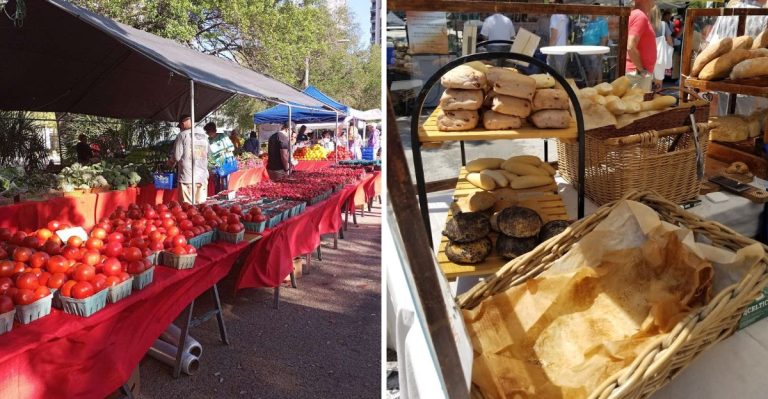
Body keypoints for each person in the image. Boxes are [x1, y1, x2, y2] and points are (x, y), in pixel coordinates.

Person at [169, 115, 209, 204]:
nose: (180, 129)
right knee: (201, 207)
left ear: (182, 124)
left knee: (187, 208)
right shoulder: (204, 135)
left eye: (180, 126)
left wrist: (170, 163)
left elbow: (177, 156)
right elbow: (208, 154)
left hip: (187, 177)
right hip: (202, 176)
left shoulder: (182, 135)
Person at [625, 0, 657, 92]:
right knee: (637, 105)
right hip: (637, 74)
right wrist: (642, 70)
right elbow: (630, 46)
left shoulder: (637, 14)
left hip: (636, 73)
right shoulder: (640, 16)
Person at [580, 8, 609, 86]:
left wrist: (600, 50)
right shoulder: (589, 22)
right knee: (590, 69)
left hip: (595, 48)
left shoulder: (602, 21)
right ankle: (591, 86)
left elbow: (604, 37)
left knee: (595, 68)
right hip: (585, 49)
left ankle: (595, 86)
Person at [205, 122, 235, 194]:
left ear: (213, 130)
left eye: (209, 132)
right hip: (215, 164)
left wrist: (224, 151)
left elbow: (232, 147)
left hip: (225, 162)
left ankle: (225, 194)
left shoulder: (222, 136)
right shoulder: (208, 140)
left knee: (224, 181)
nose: (208, 134)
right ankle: (217, 195)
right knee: (216, 182)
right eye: (207, 133)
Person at [652, 6, 674, 90]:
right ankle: (657, 97)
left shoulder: (646, 23)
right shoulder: (663, 25)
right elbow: (670, 41)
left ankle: (647, 99)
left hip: (648, 55)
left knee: (647, 80)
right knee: (659, 80)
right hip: (660, 56)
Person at [548, 2, 569, 77]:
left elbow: (554, 36)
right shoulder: (565, 16)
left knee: (553, 76)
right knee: (561, 76)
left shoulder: (554, 16)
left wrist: (548, 53)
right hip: (564, 49)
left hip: (556, 50)